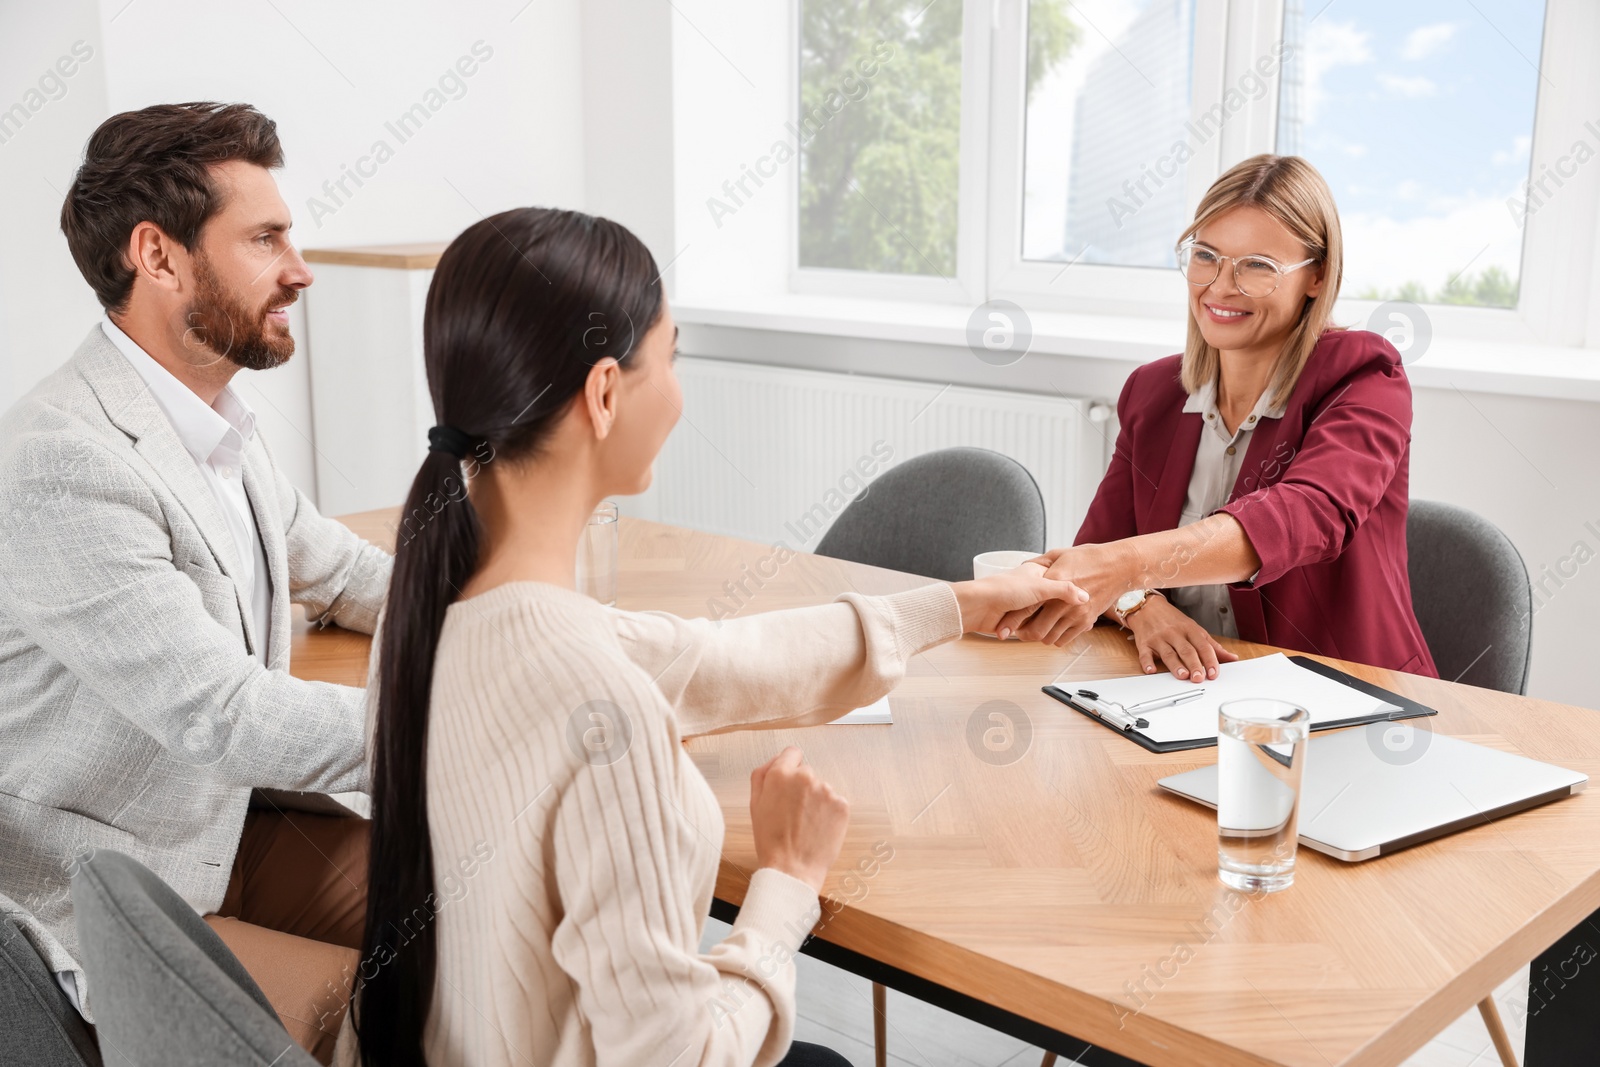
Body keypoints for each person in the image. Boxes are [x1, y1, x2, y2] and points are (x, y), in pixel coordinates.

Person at [342, 207, 1088, 1067]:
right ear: (606, 393)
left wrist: (957, 603)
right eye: (673, 355)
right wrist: (786, 882)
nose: (679, 391)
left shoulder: (431, 616)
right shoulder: (603, 707)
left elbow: (723, 658)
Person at [0, 102, 392, 1061]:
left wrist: (510, 616)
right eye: (266, 238)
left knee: (481, 907)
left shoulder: (214, 421)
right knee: (394, 1006)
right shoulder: (62, 457)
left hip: (230, 824)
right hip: (116, 879)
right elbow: (222, 713)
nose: (299, 268)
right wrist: (464, 718)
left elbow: (339, 570)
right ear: (159, 255)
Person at [997, 154, 1438, 680]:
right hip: (1182, 693)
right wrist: (1141, 605)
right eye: (1206, 255)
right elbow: (1098, 552)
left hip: (1346, 696)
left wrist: (1130, 569)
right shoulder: (1153, 392)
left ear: (1317, 278)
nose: (1221, 286)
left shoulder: (1365, 376)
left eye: (1258, 266)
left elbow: (1308, 514)